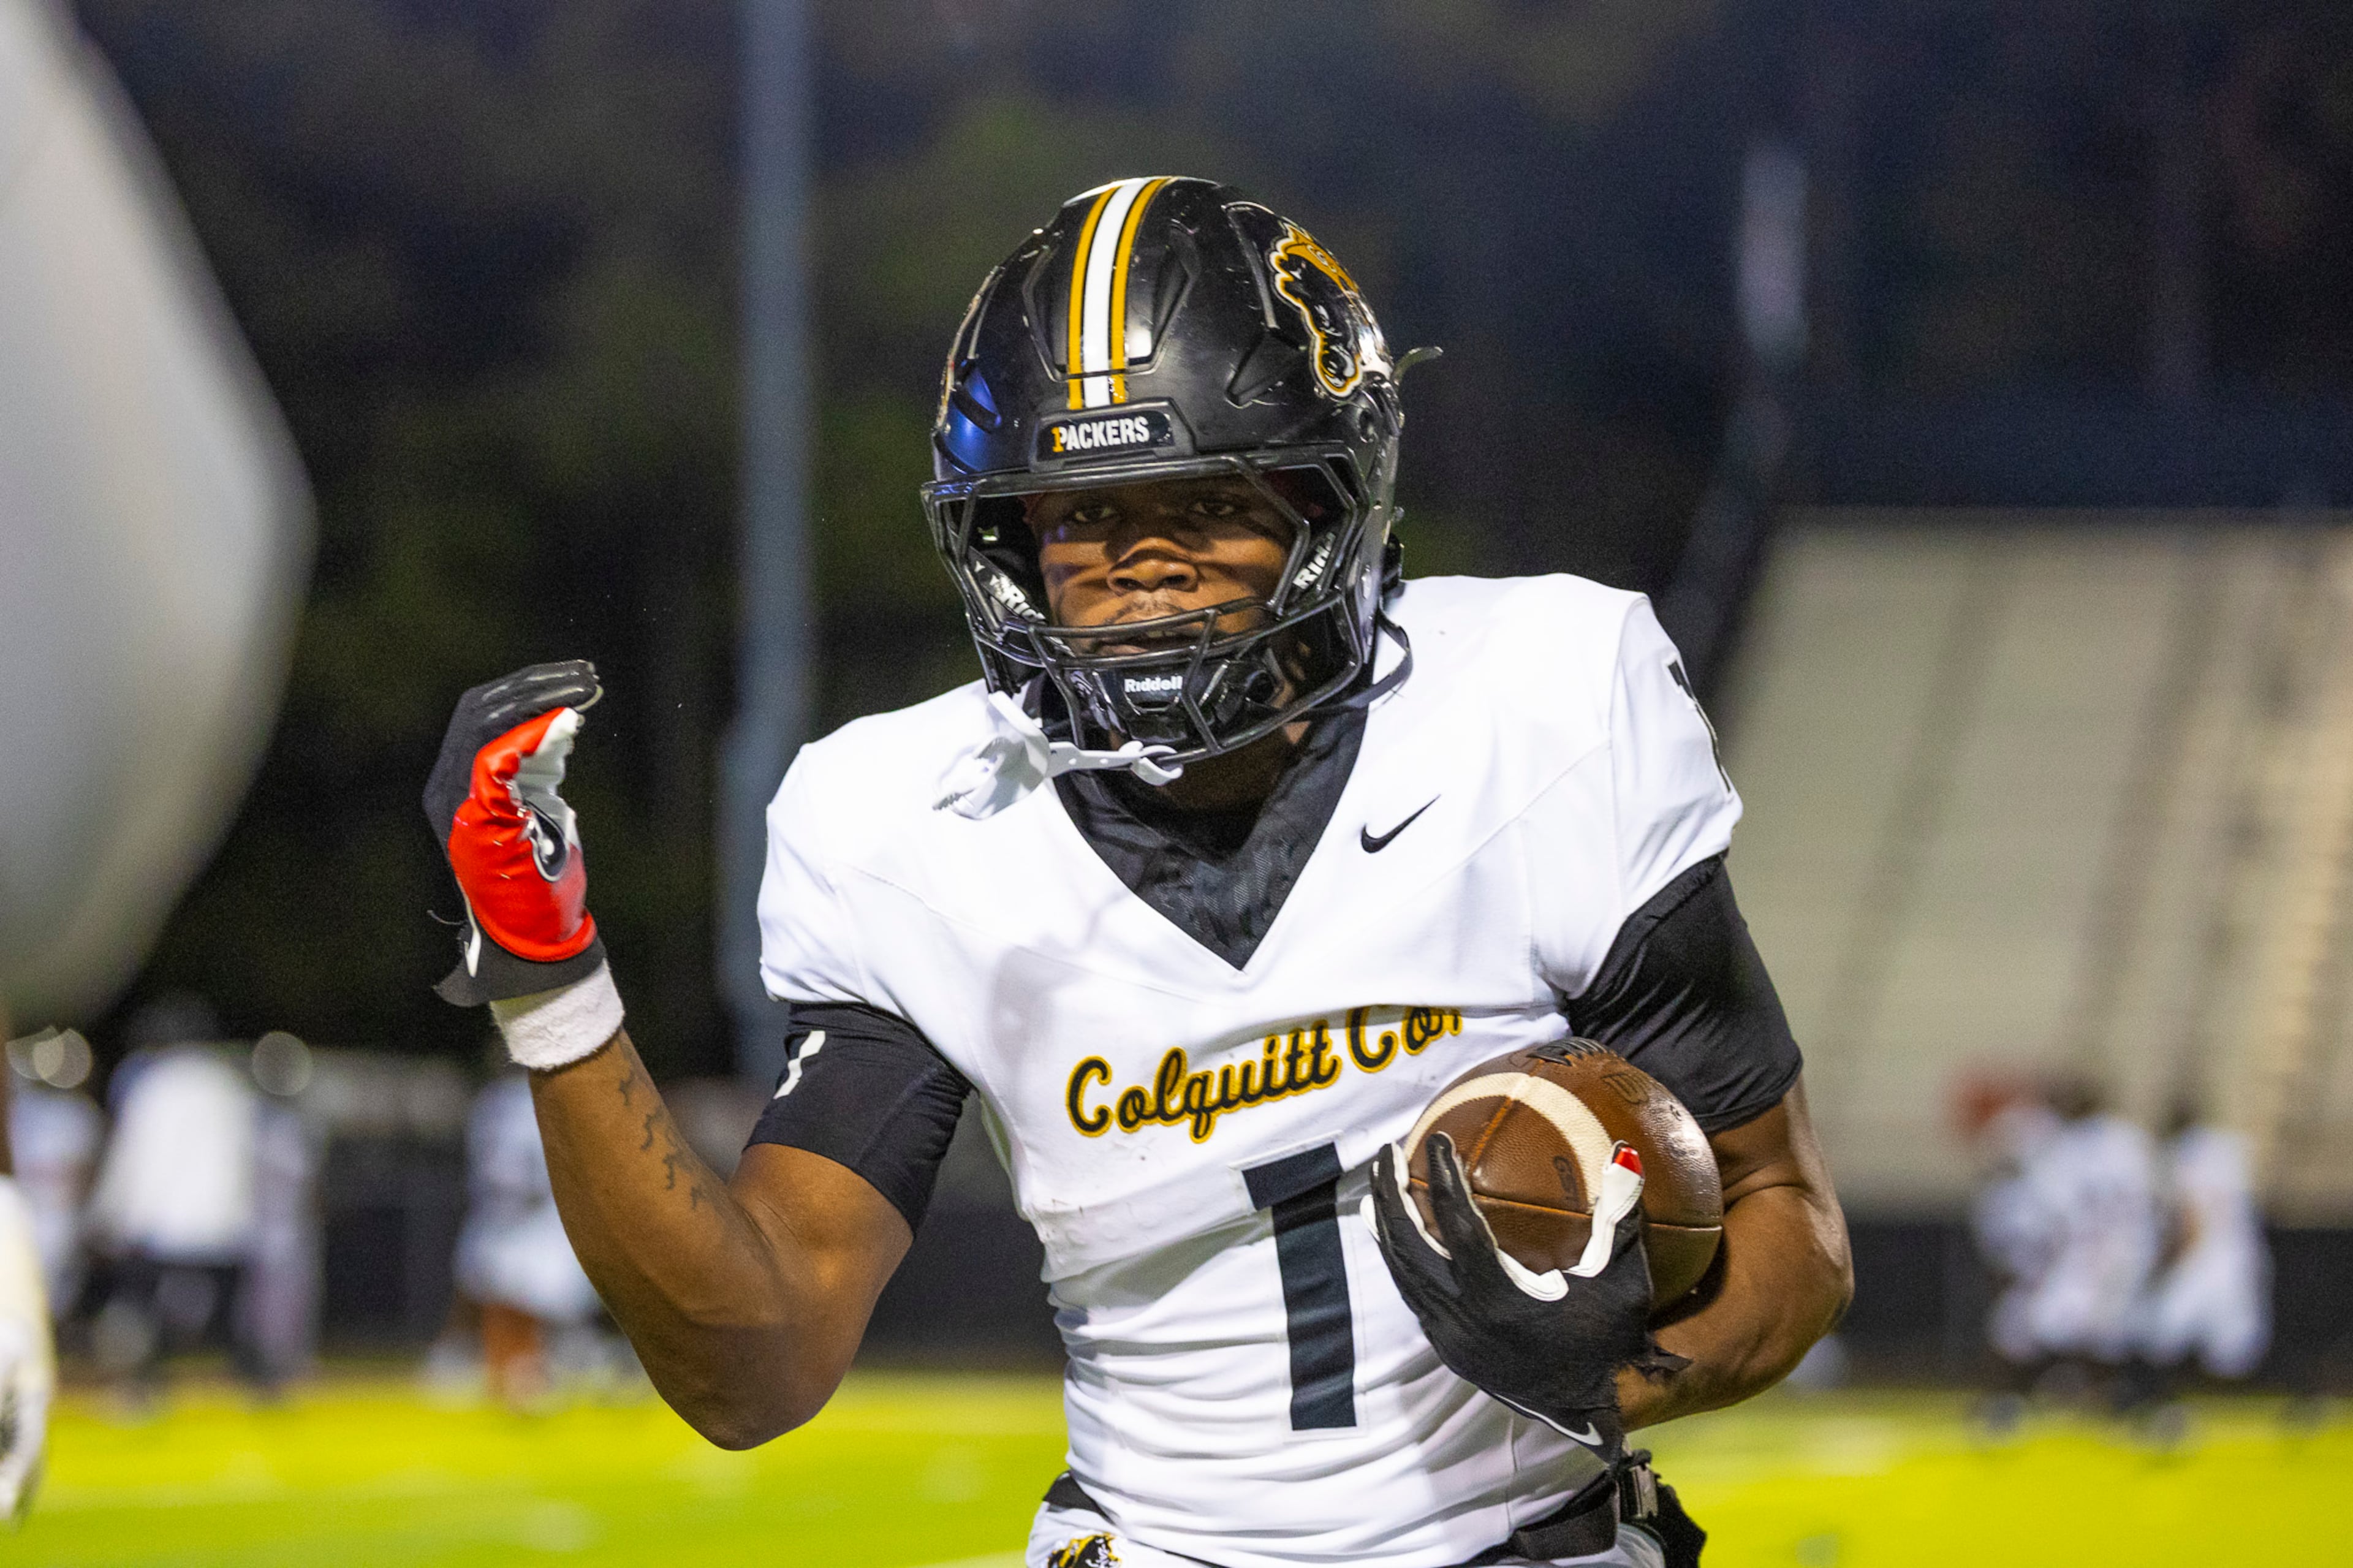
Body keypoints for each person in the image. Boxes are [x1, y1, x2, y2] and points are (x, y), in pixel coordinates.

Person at [425, 178, 1852, 1568]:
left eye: (1206, 496)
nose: (1142, 562)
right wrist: (553, 987)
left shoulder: (1539, 704)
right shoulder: (901, 819)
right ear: (1004, 540)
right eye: (1080, 512)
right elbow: (756, 1362)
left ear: (1328, 496)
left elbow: (1783, 1213)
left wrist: (1617, 1367)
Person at [447, 1070, 604, 1409]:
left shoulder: (504, 1104)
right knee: (504, 1297)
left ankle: (543, 1369)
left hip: (531, 1215)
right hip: (514, 1213)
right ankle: (514, 1371)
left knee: (532, 1299)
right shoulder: (506, 1103)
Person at [2134, 1099, 2270, 1389]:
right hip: (2239, 1255)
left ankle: (2163, 1400)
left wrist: (2165, 1262)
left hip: (2203, 1257)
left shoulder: (2181, 1156)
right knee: (2232, 1350)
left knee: (2159, 1334)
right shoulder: (2229, 1149)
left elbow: (2191, 1220)